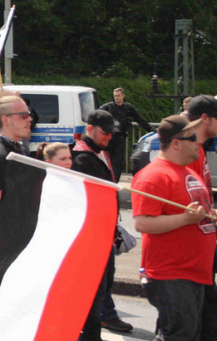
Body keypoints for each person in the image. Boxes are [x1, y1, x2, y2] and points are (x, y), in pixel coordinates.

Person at [132, 115, 217, 341]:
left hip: (193, 273)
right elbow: (142, 222)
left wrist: (213, 214)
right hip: (171, 275)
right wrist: (185, 219)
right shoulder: (153, 176)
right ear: (175, 142)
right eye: (192, 137)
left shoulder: (187, 171)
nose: (198, 142)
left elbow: (196, 211)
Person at [71, 110, 132, 339]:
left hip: (105, 231)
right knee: (93, 290)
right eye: (105, 132)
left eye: (111, 132)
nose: (109, 136)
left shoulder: (99, 152)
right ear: (90, 129)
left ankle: (96, 327)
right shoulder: (81, 157)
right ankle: (90, 334)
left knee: (103, 286)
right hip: (92, 235)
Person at [184, 95, 217, 341]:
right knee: (185, 309)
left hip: (205, 232)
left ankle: (211, 334)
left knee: (208, 292)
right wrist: (213, 213)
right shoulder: (187, 150)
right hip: (193, 237)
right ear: (205, 119)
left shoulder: (198, 148)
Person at [0, 96, 31, 234]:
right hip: (5, 242)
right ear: (5, 120)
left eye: (29, 114)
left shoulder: (19, 149)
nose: (29, 119)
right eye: (24, 115)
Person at [99, 87, 153, 182]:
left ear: (123, 96)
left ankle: (115, 181)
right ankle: (106, 180)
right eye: (115, 96)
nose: (116, 98)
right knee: (106, 160)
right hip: (109, 138)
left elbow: (139, 119)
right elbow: (97, 114)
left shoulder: (127, 108)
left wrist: (150, 129)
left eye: (118, 96)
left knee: (118, 162)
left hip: (120, 138)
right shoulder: (108, 107)